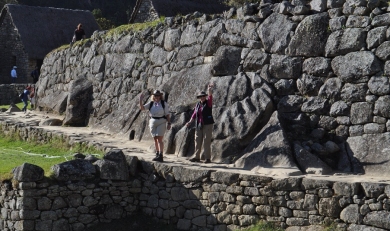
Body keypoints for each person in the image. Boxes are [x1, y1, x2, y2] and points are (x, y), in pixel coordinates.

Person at [139, 90, 172, 162]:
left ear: (160, 96)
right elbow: (142, 108)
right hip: (152, 122)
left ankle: (161, 155)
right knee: (155, 139)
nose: (157, 97)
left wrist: (169, 123)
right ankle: (157, 153)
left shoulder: (164, 104)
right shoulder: (151, 103)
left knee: (160, 139)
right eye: (155, 95)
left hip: (161, 121)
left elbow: (167, 114)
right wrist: (141, 101)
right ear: (153, 96)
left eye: (158, 95)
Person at [186, 84, 215, 163]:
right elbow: (194, 114)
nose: (202, 97)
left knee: (206, 141)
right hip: (199, 124)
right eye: (200, 96)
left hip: (207, 124)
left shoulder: (208, 103)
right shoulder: (198, 104)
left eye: (203, 96)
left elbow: (210, 96)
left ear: (205, 96)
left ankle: (207, 158)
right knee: (197, 140)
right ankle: (196, 157)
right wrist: (189, 122)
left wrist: (209, 89)